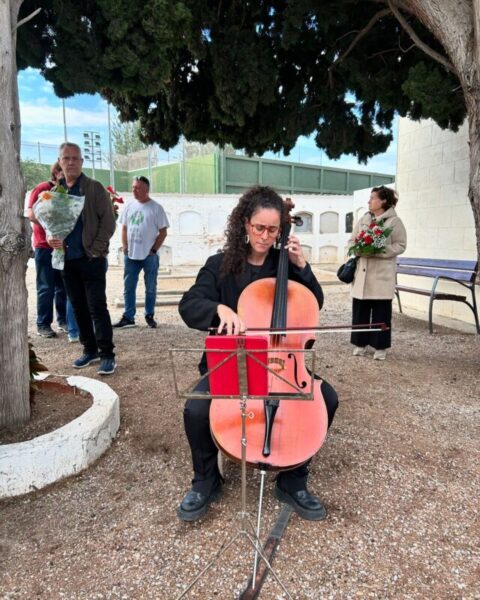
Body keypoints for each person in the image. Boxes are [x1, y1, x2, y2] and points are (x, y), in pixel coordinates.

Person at [177, 185, 338, 522]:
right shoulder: (220, 265)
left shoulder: (287, 264)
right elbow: (190, 304)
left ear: (282, 229)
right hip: (235, 363)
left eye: (273, 229)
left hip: (284, 364)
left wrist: (303, 266)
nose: (266, 236)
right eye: (259, 228)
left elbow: (314, 304)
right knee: (195, 409)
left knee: (327, 397)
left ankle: (292, 482)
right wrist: (219, 308)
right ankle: (206, 480)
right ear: (245, 225)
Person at [47, 142, 117, 375]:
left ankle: (107, 354)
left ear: (81, 162)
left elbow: (108, 222)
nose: (71, 162)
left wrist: (96, 251)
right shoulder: (57, 193)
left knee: (97, 307)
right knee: (78, 307)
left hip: (91, 259)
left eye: (75, 158)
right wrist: (52, 239)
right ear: (60, 161)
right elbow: (52, 226)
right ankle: (90, 350)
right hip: (67, 260)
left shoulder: (94, 188)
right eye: (66, 158)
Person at [349, 186, 407, 360]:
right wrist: (358, 249)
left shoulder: (394, 222)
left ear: (383, 201)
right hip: (362, 274)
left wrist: (379, 250)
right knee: (360, 311)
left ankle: (380, 347)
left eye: (373, 198)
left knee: (381, 312)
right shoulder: (364, 219)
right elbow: (352, 240)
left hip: (381, 275)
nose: (369, 201)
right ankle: (360, 343)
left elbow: (401, 245)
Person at [27, 162, 79, 341]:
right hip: (44, 247)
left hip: (61, 247)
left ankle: (63, 321)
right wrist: (51, 228)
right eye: (65, 172)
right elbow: (31, 213)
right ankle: (43, 324)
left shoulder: (68, 193)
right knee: (45, 287)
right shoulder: (43, 188)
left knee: (62, 286)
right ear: (56, 173)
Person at [113, 176, 169, 329]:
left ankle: (149, 315)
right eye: (133, 187)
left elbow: (163, 232)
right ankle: (128, 316)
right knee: (129, 287)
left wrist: (154, 250)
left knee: (150, 287)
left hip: (149, 256)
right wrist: (125, 246)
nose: (134, 190)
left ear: (146, 189)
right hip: (131, 255)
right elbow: (124, 228)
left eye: (138, 188)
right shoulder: (130, 206)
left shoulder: (156, 208)